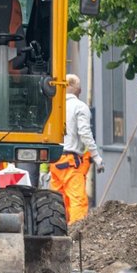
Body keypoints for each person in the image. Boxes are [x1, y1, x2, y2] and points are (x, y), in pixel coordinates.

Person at [50, 74, 104, 224]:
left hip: (54, 161)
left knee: (57, 202)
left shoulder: (54, 106)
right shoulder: (80, 107)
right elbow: (85, 134)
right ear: (78, 89)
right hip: (71, 163)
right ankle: (76, 235)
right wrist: (97, 157)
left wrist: (43, 170)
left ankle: (59, 233)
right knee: (77, 201)